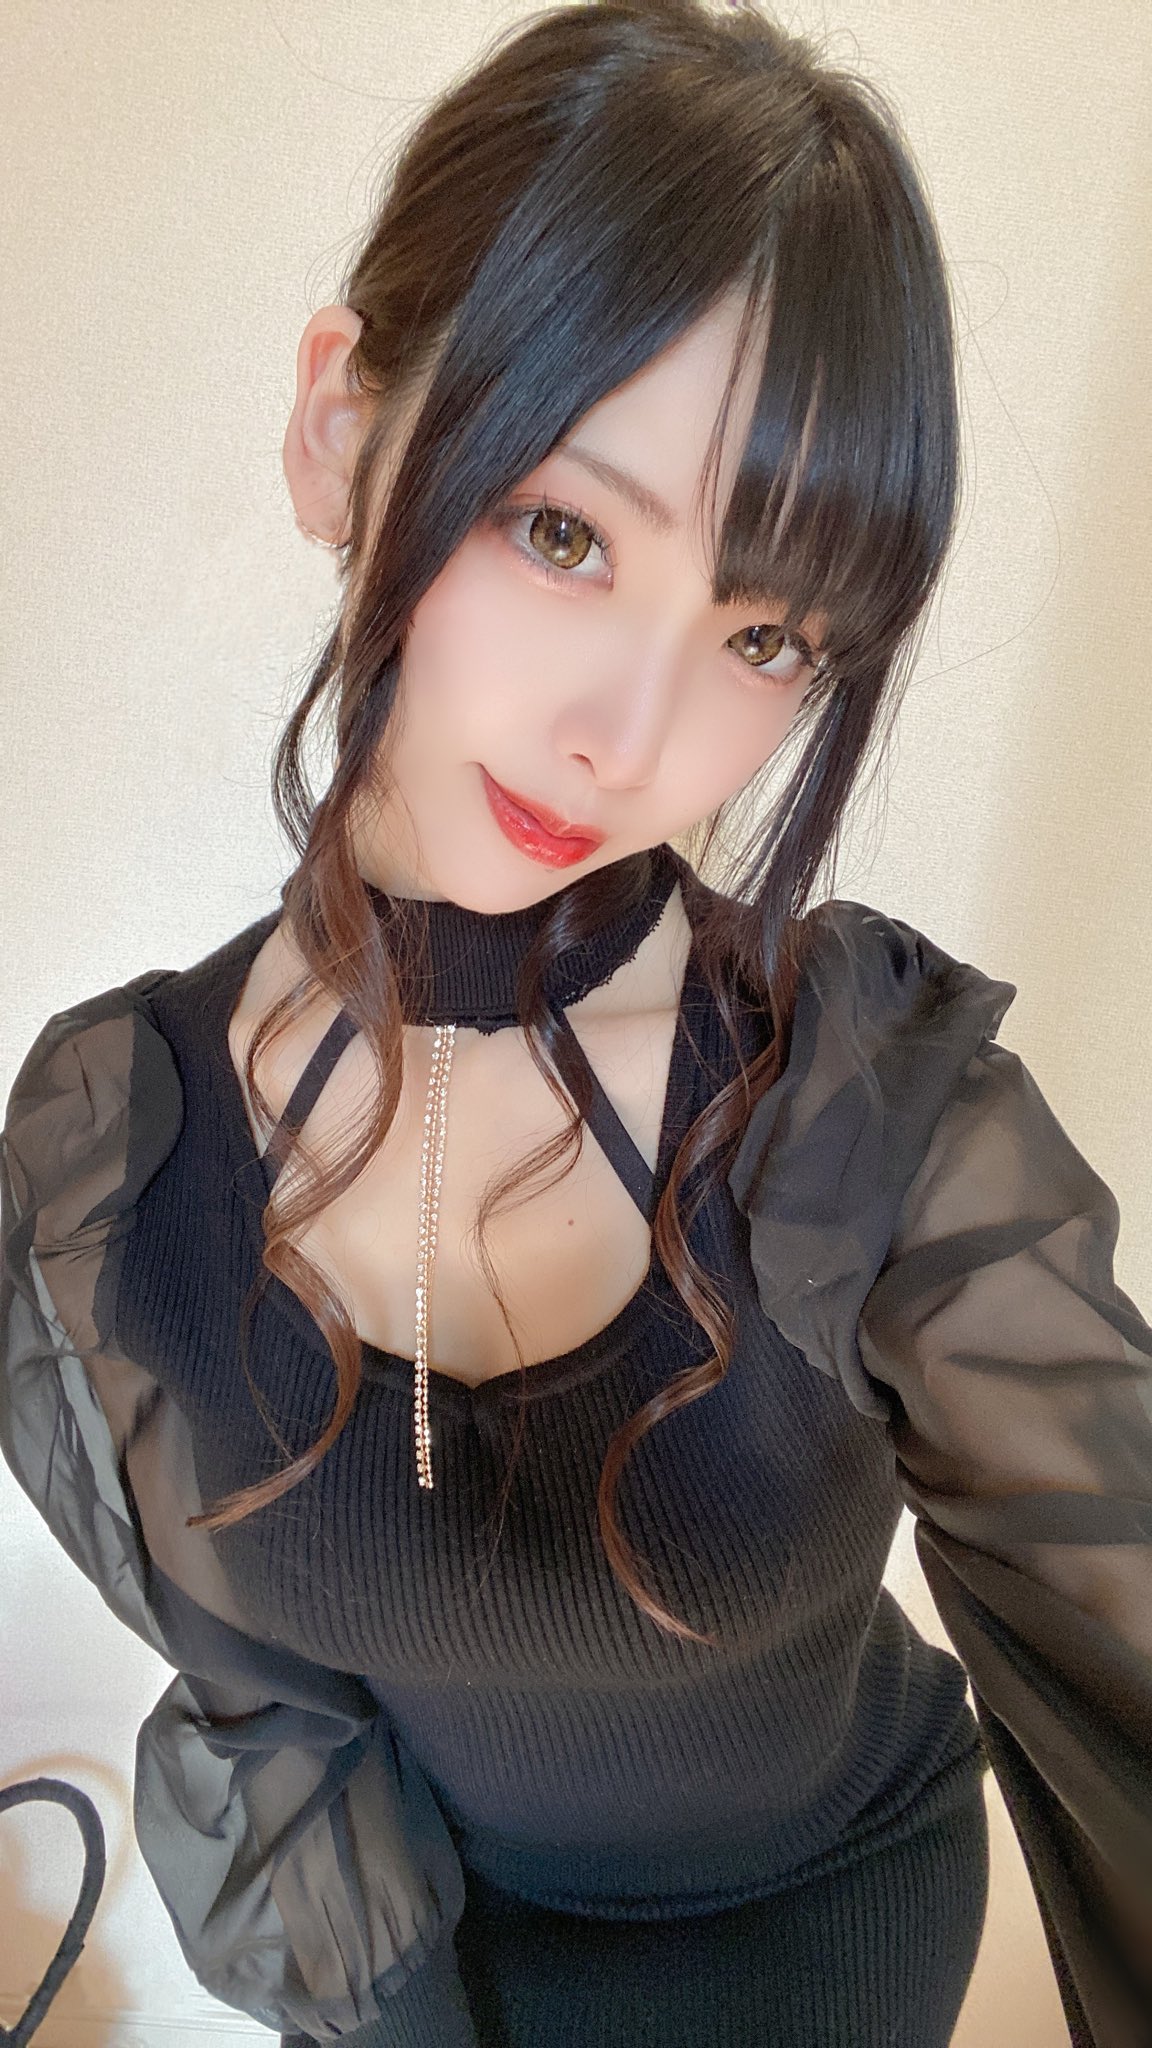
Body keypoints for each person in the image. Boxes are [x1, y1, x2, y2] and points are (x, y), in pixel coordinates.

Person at [2, 2, 1150, 2043]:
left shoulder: (857, 1115)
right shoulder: (112, 1155)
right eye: (563, 533)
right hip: (450, 1949)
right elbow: (281, 1728)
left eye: (766, 634)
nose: (635, 736)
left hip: (820, 1920)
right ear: (340, 427)